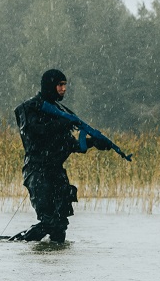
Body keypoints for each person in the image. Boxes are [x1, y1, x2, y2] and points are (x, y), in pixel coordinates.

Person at [9, 69, 111, 243]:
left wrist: (93, 142)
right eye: (60, 85)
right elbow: (35, 132)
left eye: (65, 85)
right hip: (37, 171)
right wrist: (62, 122)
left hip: (56, 172)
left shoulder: (61, 111)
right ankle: (20, 244)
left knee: (61, 225)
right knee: (49, 222)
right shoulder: (30, 108)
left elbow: (71, 145)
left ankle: (55, 257)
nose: (64, 89)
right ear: (50, 86)